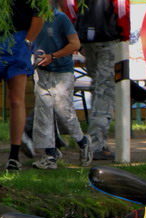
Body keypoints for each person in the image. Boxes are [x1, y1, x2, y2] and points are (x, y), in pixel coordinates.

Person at [0, 0, 44, 171]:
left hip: (18, 39)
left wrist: (27, 42)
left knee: (16, 99)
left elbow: (40, 13)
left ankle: (14, 155)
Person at [31, 3, 93, 169]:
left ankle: (83, 141)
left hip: (61, 71)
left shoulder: (61, 18)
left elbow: (75, 44)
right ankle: (50, 156)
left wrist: (53, 56)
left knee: (63, 111)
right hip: (41, 71)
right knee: (43, 113)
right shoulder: (34, 19)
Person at [73, 0, 122, 161]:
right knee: (105, 90)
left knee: (98, 86)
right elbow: (122, 8)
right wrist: (124, 35)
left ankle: (93, 140)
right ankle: (96, 145)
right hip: (108, 38)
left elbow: (69, 6)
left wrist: (77, 34)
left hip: (87, 39)